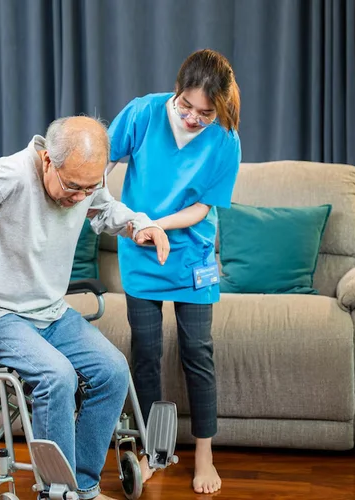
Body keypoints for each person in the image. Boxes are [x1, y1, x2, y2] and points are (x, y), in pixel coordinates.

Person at [0, 116, 170, 500]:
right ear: (46, 161)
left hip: (51, 312)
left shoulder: (85, 182)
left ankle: (81, 488)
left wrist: (139, 224)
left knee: (113, 371)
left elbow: (104, 208)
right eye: (73, 187)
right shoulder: (6, 176)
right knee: (57, 376)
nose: (79, 197)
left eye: (89, 187)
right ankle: (56, 492)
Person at [106, 49, 241, 494]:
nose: (192, 119)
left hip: (192, 256)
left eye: (205, 113)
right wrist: (119, 216)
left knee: (197, 353)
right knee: (145, 353)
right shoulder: (143, 113)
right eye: (186, 107)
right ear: (177, 90)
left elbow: (203, 207)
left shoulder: (225, 138)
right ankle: (152, 451)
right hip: (141, 254)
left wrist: (155, 224)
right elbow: (101, 159)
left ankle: (204, 453)